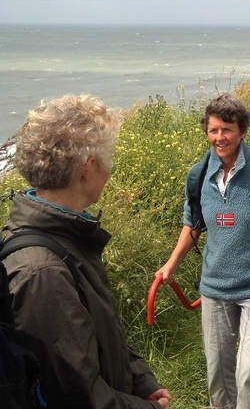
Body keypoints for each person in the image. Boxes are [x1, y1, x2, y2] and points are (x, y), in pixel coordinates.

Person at [2, 94, 172, 408]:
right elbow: (77, 396)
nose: (110, 170)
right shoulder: (42, 271)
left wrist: (140, 379)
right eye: (109, 158)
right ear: (88, 168)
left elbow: (101, 337)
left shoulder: (69, 238)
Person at [155, 93, 250, 409]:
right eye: (213, 130)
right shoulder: (199, 176)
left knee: (249, 372)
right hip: (215, 288)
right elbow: (192, 225)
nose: (220, 137)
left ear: (243, 131)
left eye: (227, 130)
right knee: (218, 375)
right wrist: (171, 265)